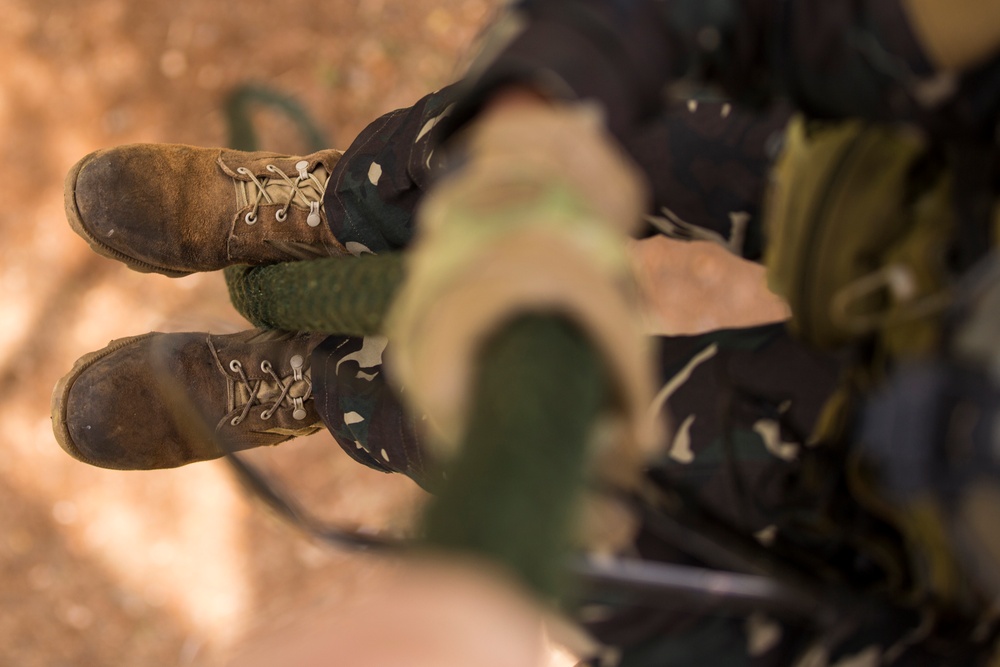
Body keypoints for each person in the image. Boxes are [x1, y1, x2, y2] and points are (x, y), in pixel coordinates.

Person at [51, 0, 1000, 664]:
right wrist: (529, 127)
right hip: (946, 189)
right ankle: (342, 206)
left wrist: (599, 599)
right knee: (642, 127)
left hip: (916, 545)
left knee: (558, 470)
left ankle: (331, 383)